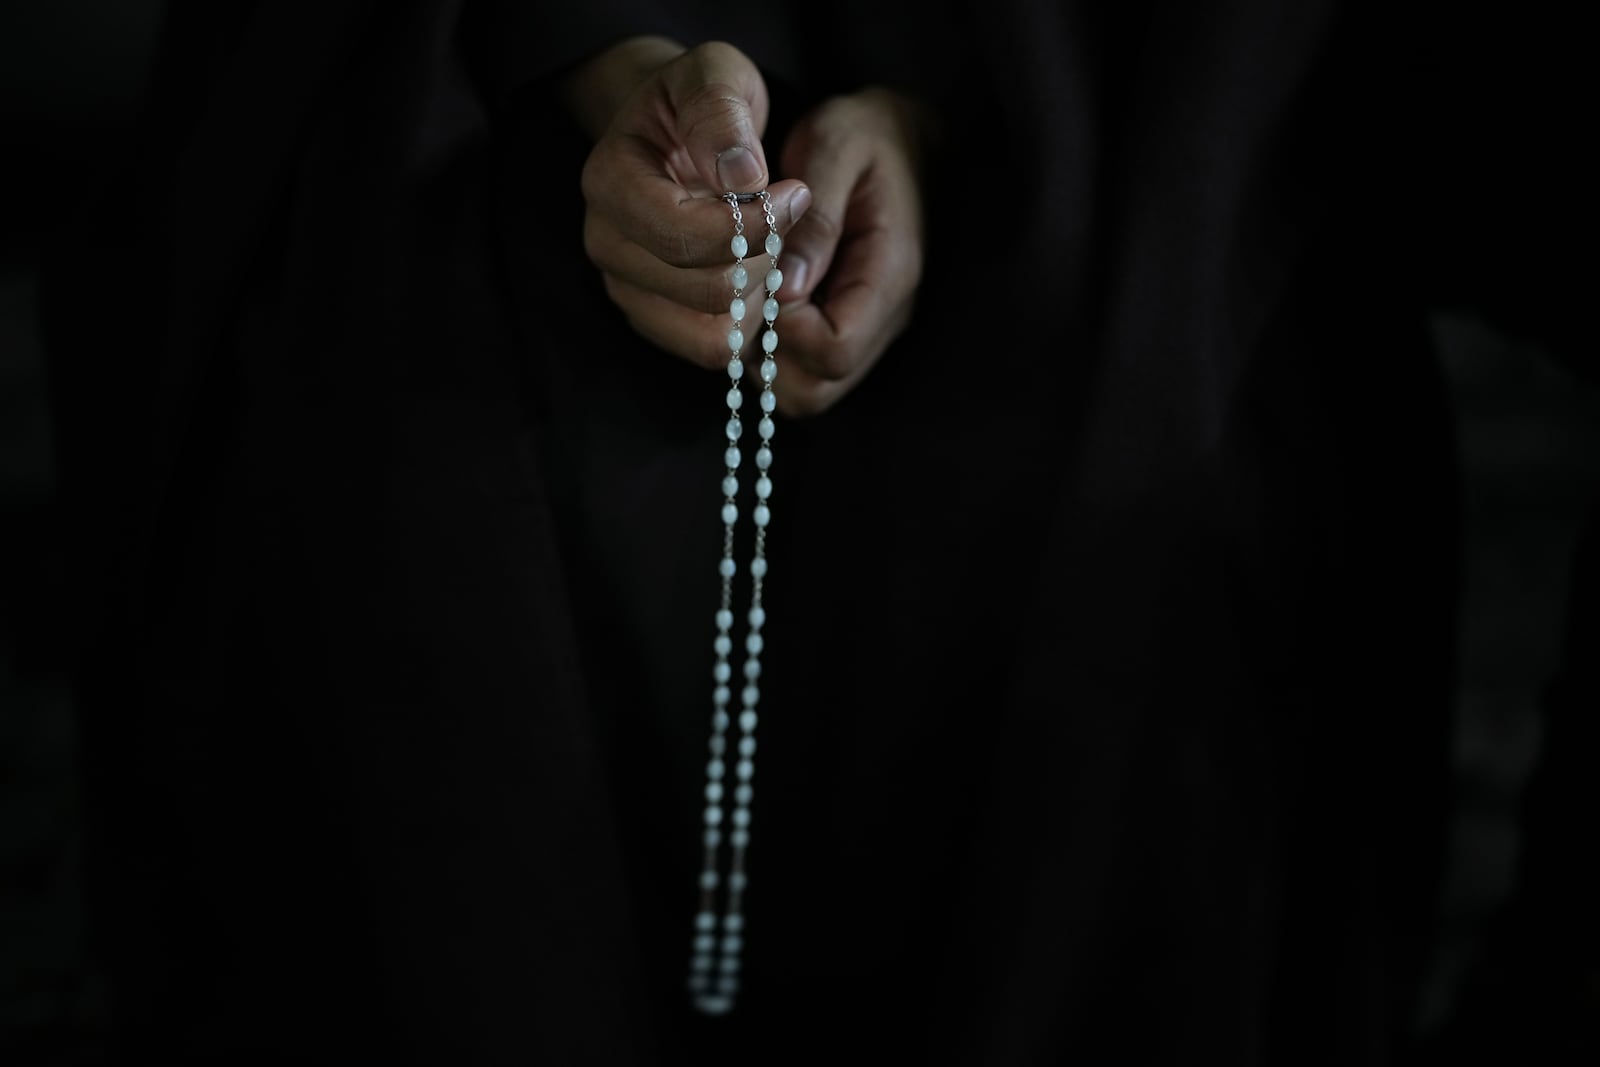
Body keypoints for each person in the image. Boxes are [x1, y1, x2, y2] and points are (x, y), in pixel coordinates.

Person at [42, 0, 1581, 1062]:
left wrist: (958, 103)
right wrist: (616, 54)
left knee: (1141, 538)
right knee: (419, 483)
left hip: (1139, 129)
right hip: (477, 106)